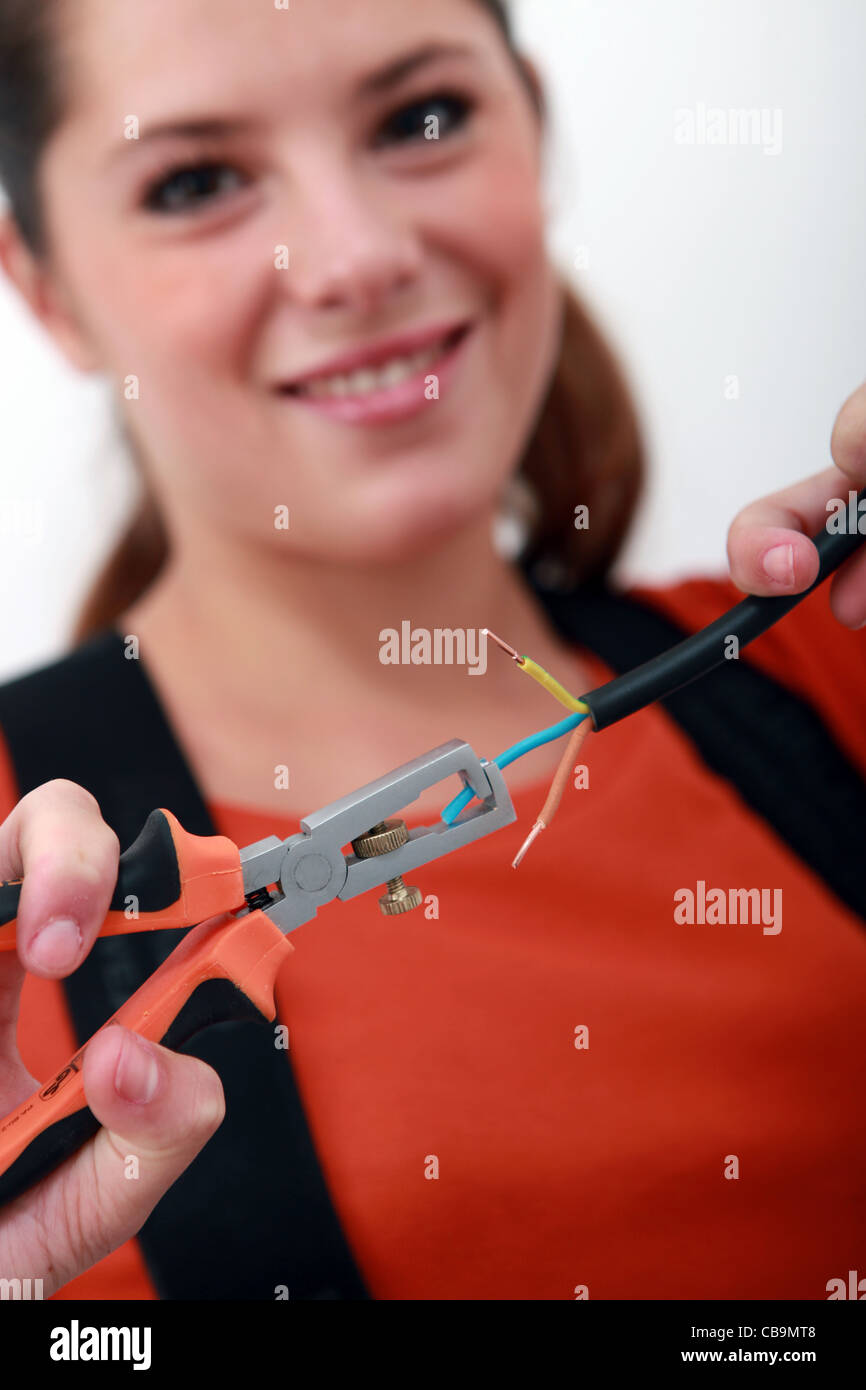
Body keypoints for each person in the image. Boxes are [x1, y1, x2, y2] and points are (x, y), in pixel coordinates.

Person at [0, 0, 863, 1301]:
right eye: (196, 180)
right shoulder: (23, 880)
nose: (355, 257)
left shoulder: (826, 659)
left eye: (422, 117)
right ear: (46, 286)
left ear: (530, 123)